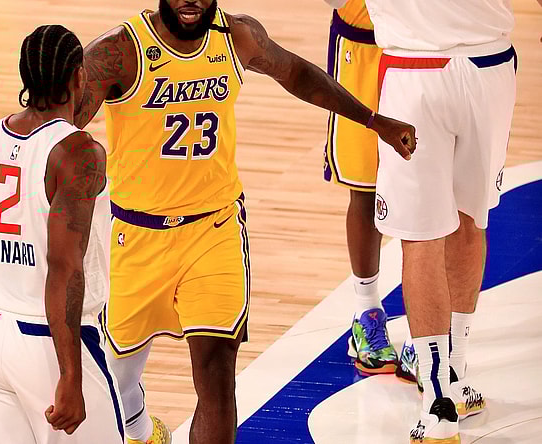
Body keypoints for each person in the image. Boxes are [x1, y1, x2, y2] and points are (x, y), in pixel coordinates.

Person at [74, 1, 416, 442]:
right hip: (135, 235)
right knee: (113, 388)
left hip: (212, 231)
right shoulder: (120, 50)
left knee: (218, 373)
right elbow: (62, 123)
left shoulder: (237, 36)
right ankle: (139, 427)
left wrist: (373, 120)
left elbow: (297, 75)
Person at [0, 25, 124, 444]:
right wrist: (70, 375)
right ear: (78, 78)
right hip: (46, 342)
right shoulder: (78, 151)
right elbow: (64, 268)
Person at [364, 0, 516, 442]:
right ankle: (453, 374)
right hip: (489, 61)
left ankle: (439, 399)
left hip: (416, 65)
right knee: (471, 221)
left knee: (423, 236)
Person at [321, 0, 398, 376]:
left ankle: (428, 333)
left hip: (433, 52)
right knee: (365, 189)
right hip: (364, 50)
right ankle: (366, 310)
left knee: (436, 194)